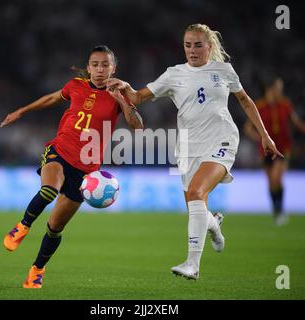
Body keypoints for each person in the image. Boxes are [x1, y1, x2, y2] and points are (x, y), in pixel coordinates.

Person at [105, 24, 283, 280]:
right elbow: (137, 97)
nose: (192, 50)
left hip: (221, 139)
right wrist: (125, 88)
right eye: (188, 45)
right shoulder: (174, 74)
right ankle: (215, 226)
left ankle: (192, 264)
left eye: (198, 44)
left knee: (197, 191)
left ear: (209, 47)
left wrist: (265, 135)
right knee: (196, 206)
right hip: (188, 146)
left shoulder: (223, 70)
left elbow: (245, 100)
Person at [0, 45, 143, 288]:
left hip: (86, 170)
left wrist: (122, 100)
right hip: (60, 150)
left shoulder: (119, 93)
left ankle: (37, 269)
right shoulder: (76, 85)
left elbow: (137, 125)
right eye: (95, 64)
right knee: (49, 190)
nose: (99, 69)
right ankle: (22, 226)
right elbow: (53, 98)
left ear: (113, 68)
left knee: (55, 228)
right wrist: (22, 111)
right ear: (88, 68)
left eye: (105, 65)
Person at [244, 76, 305, 225]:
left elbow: (296, 122)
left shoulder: (285, 104)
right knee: (271, 181)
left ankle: (280, 210)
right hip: (266, 150)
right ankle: (277, 210)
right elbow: (248, 128)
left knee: (277, 176)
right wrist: (259, 138)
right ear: (270, 89)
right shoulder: (259, 106)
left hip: (284, 147)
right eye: (278, 88)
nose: (280, 91)